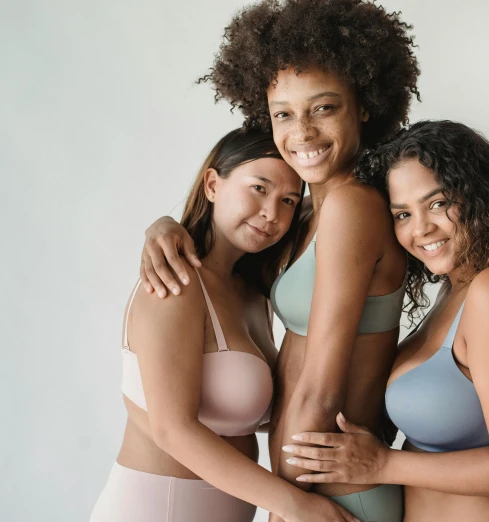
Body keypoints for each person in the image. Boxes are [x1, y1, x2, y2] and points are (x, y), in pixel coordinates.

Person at [137, 1, 420, 520]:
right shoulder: (310, 212)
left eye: (324, 107)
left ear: (364, 105)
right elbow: (232, 255)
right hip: (314, 487)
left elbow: (322, 385)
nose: (303, 132)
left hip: (328, 491)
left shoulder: (354, 207)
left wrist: (288, 505)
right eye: (283, 114)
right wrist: (165, 226)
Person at [281, 120, 489, 522]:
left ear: (479, 196)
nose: (421, 229)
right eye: (402, 214)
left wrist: (382, 465)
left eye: (437, 203)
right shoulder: (456, 292)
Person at [91, 127, 361, 522]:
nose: (272, 213)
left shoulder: (254, 295)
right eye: (258, 188)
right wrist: (295, 504)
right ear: (213, 184)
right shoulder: (175, 281)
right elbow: (172, 429)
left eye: (288, 200)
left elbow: (334, 207)